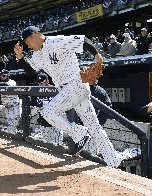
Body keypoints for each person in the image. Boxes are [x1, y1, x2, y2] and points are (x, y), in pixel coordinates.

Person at [14, 26, 128, 168]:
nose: (27, 45)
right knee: (94, 126)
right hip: (69, 90)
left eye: (27, 41)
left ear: (35, 34)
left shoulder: (57, 41)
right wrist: (20, 56)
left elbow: (83, 40)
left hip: (75, 85)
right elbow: (30, 70)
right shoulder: (38, 53)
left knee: (48, 112)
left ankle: (78, 133)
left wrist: (96, 54)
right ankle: (113, 159)